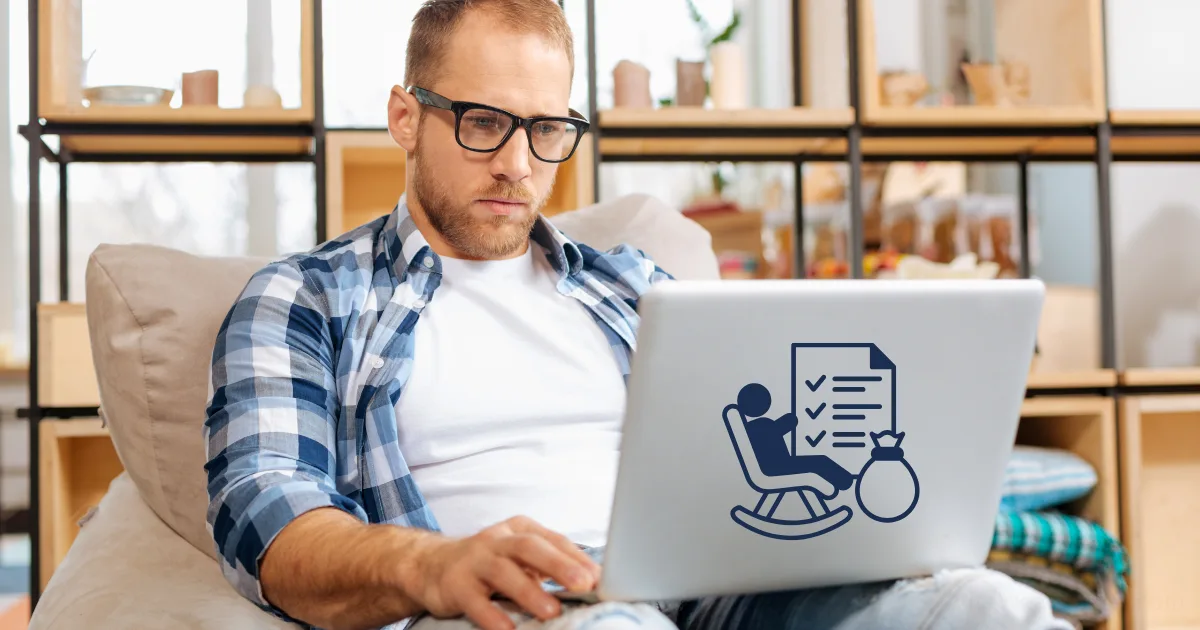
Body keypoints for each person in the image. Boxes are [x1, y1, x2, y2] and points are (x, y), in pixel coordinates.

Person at [203, 1, 1072, 629]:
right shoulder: (306, 299)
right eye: (483, 122)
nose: (518, 164)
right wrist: (431, 565)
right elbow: (269, 523)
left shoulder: (634, 285)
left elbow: (743, 451)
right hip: (517, 608)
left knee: (990, 606)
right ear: (405, 116)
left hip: (722, 593)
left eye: (547, 129)